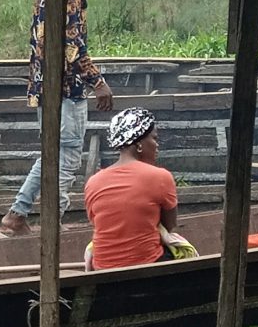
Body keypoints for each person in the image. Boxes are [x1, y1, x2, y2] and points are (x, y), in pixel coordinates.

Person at [1, 0, 116, 236]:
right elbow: (73, 44)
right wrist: (98, 82)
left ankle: (18, 213)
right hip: (67, 89)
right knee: (67, 158)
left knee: (53, 154)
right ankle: (52, 224)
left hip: (45, 86)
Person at [81, 109, 189, 271]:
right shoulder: (160, 176)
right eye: (154, 139)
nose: (157, 145)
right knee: (184, 253)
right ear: (139, 144)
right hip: (149, 262)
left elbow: (98, 224)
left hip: (101, 268)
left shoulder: (93, 182)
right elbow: (169, 225)